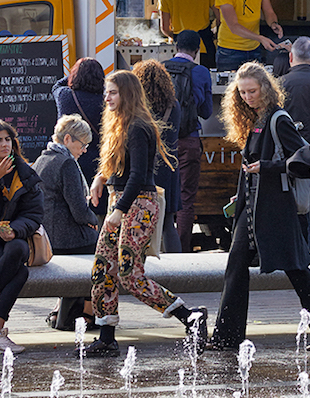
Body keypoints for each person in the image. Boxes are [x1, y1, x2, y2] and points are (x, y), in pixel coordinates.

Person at [209, 62, 310, 352]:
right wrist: (242, 195)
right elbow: (251, 169)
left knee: (294, 267)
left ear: (266, 89)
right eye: (242, 92)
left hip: (274, 209)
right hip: (257, 207)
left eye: (252, 91)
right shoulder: (257, 118)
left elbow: (303, 160)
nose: (247, 97)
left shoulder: (277, 118)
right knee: (247, 265)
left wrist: (266, 168)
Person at [85, 70, 207, 357]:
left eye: (112, 92)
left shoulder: (139, 126)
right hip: (123, 199)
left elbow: (139, 175)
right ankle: (106, 335)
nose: (107, 97)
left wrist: (118, 211)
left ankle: (189, 316)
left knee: (130, 275)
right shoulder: (119, 123)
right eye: (106, 92)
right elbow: (118, 166)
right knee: (103, 267)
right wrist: (100, 179)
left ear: (127, 93)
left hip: (138, 203)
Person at [0, 119, 45, 353]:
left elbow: (34, 214)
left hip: (9, 243)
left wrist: (15, 230)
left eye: (8, 140)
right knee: (19, 271)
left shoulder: (24, 172)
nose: (4, 145)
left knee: (19, 249)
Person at [34, 115, 99, 331]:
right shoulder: (67, 163)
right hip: (66, 237)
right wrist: (94, 221)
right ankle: (86, 313)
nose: (84, 150)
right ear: (69, 139)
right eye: (82, 144)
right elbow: (79, 211)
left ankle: (60, 308)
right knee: (100, 251)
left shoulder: (43, 158)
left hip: (49, 235)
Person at [163, 30, 214, 253]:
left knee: (158, 196)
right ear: (197, 50)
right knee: (185, 199)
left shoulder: (159, 69)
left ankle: (159, 247)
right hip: (189, 141)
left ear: (175, 46)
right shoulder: (201, 72)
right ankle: (180, 252)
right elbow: (206, 112)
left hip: (161, 143)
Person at [132, 59, 183, 252]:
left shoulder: (139, 108)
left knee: (139, 219)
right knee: (168, 223)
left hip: (145, 167)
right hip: (168, 167)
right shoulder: (174, 105)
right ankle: (177, 267)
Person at [53, 58, 106, 216]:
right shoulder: (106, 101)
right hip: (100, 163)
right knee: (99, 205)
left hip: (72, 159)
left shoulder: (65, 96)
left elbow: (56, 85)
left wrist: (73, 74)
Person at [215, 0, 284, 71]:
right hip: (229, 50)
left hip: (254, 48)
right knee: (228, 88)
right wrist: (260, 38)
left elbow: (268, 11)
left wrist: (273, 23)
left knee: (256, 87)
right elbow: (234, 26)